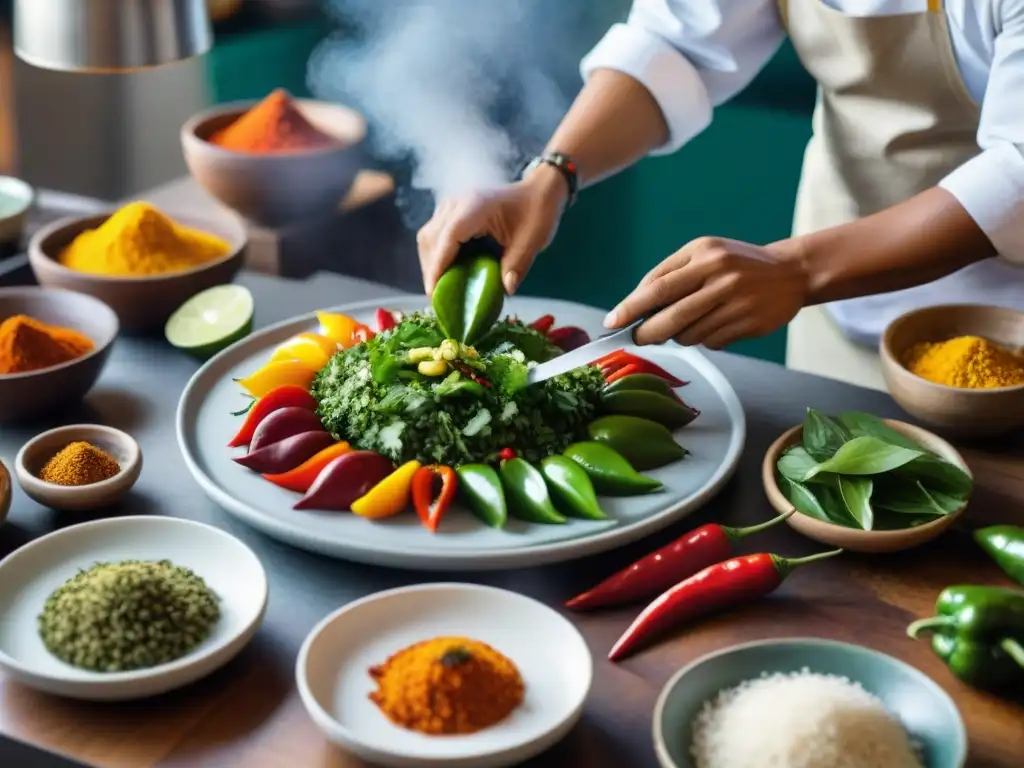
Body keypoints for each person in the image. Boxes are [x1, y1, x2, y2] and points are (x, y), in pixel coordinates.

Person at [416, 0, 1024, 390]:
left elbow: (1017, 172)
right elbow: (678, 42)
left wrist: (799, 268)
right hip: (833, 314)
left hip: (1005, 320)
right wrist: (548, 178)